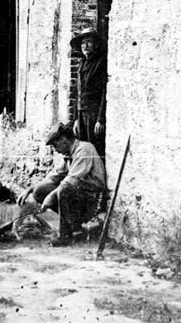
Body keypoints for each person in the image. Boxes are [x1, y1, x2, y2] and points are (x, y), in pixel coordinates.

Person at [17, 122, 106, 247]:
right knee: (40, 191)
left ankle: (65, 236)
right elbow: (54, 176)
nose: (55, 150)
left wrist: (51, 196)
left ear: (64, 140)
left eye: (55, 145)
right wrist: (30, 189)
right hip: (80, 194)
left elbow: (72, 180)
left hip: (93, 198)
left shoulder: (84, 149)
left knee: (64, 189)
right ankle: (75, 224)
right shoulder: (68, 155)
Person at [70, 28, 107, 157]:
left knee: (95, 149)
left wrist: (100, 119)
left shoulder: (100, 63)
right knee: (83, 149)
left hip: (93, 114)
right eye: (82, 43)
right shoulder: (81, 64)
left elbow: (104, 92)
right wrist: (76, 119)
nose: (85, 46)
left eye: (88, 42)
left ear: (95, 45)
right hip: (81, 114)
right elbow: (77, 93)